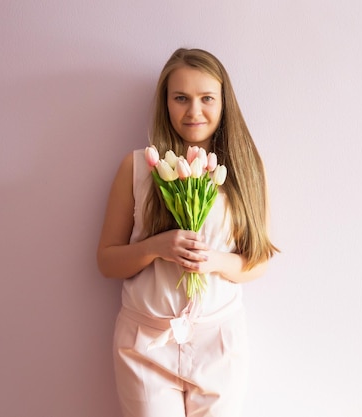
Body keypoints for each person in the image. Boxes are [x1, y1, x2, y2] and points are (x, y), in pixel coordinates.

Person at [97, 48, 278, 417]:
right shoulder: (136, 169)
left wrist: (213, 261)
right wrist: (156, 247)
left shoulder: (245, 169)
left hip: (219, 344)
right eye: (181, 98)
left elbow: (258, 261)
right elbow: (106, 261)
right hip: (146, 344)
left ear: (224, 102)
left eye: (206, 98)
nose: (194, 111)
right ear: (165, 103)